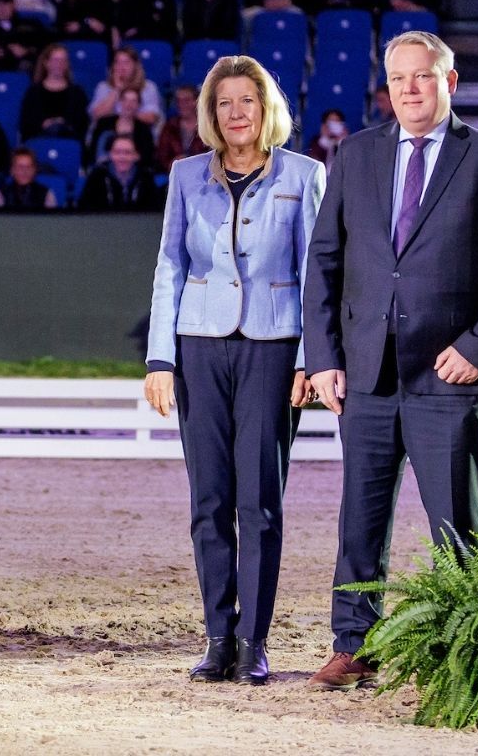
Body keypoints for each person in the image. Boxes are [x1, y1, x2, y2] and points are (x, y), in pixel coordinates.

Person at [302, 30, 478, 691]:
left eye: (423, 76)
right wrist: (323, 357)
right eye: (398, 78)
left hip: (448, 376)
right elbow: (324, 262)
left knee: (455, 526)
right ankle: (355, 645)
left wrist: (477, 346)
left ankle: (464, 652)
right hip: (367, 375)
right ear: (386, 87)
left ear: (449, 82)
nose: (410, 88)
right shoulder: (355, 156)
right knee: (360, 522)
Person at [144, 54, 322, 685]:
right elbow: (170, 265)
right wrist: (160, 358)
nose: (236, 112)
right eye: (224, 103)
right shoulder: (186, 175)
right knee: (210, 499)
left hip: (274, 348)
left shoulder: (305, 174)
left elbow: (315, 274)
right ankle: (218, 637)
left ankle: (254, 641)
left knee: (260, 501)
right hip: (199, 346)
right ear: (211, 114)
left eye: (247, 100)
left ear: (266, 108)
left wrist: (311, 360)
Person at [79, 135, 162, 210]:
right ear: (110, 154)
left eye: (127, 153)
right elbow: (85, 209)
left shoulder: (146, 177)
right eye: (117, 152)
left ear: (136, 156)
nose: (122, 157)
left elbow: (154, 209)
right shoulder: (97, 177)